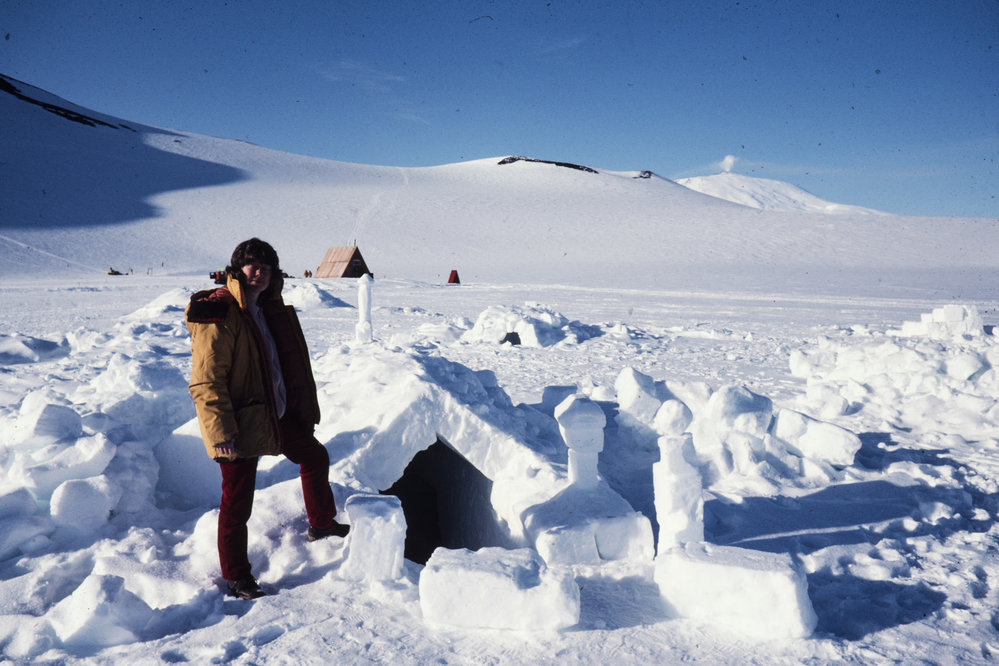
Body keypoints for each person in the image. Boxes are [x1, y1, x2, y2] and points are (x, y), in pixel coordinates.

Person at [186, 238, 348, 600]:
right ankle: (237, 577)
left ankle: (321, 525)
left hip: (275, 414)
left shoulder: (266, 308)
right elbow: (206, 380)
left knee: (314, 456)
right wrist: (220, 432)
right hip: (239, 424)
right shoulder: (221, 311)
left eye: (266, 268)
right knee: (237, 504)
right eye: (253, 266)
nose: (259, 273)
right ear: (237, 269)